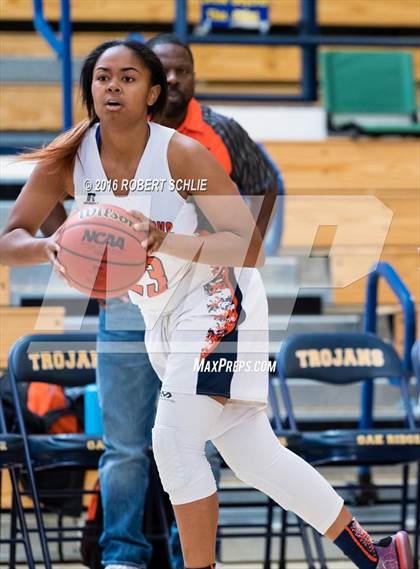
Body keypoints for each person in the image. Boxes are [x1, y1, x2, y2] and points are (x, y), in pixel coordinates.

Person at [0, 40, 413, 569]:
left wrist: (162, 238)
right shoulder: (70, 158)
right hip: (161, 316)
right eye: (103, 77)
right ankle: (377, 556)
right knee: (252, 453)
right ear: (89, 89)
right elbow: (11, 236)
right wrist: (49, 247)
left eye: (127, 78)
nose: (112, 87)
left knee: (172, 443)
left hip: (220, 304)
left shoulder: (181, 156)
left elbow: (250, 245)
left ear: (152, 93)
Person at [40, 33, 280, 569]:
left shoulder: (213, 134)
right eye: (162, 71)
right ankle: (123, 554)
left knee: (190, 442)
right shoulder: (89, 146)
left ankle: (187, 556)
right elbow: (45, 202)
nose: (173, 81)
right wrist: (76, 254)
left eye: (180, 72)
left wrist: (235, 251)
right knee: (126, 446)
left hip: (201, 302)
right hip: (132, 306)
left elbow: (264, 189)